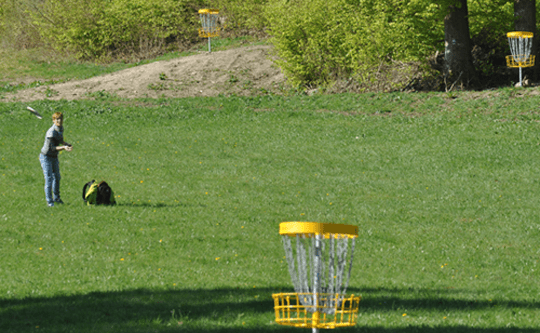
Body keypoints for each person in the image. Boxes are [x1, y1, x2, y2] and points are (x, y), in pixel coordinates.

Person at [39, 112, 73, 207]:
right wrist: (63, 148)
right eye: (57, 119)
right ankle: (50, 202)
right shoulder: (51, 132)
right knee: (49, 179)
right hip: (46, 157)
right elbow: (52, 148)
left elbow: (59, 140)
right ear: (53, 120)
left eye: (60, 119)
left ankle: (57, 198)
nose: (59, 121)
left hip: (54, 157)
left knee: (57, 177)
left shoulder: (60, 128)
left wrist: (66, 144)